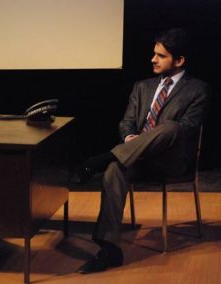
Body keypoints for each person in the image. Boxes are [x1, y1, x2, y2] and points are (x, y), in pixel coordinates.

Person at [71, 29, 211, 273]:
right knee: (114, 170)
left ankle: (100, 159)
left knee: (172, 127)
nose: (153, 59)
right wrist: (130, 137)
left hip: (170, 160)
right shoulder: (142, 87)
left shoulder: (198, 89)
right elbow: (126, 122)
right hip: (136, 157)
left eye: (161, 55)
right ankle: (110, 249)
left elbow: (187, 130)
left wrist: (148, 140)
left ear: (179, 61)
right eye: (153, 54)